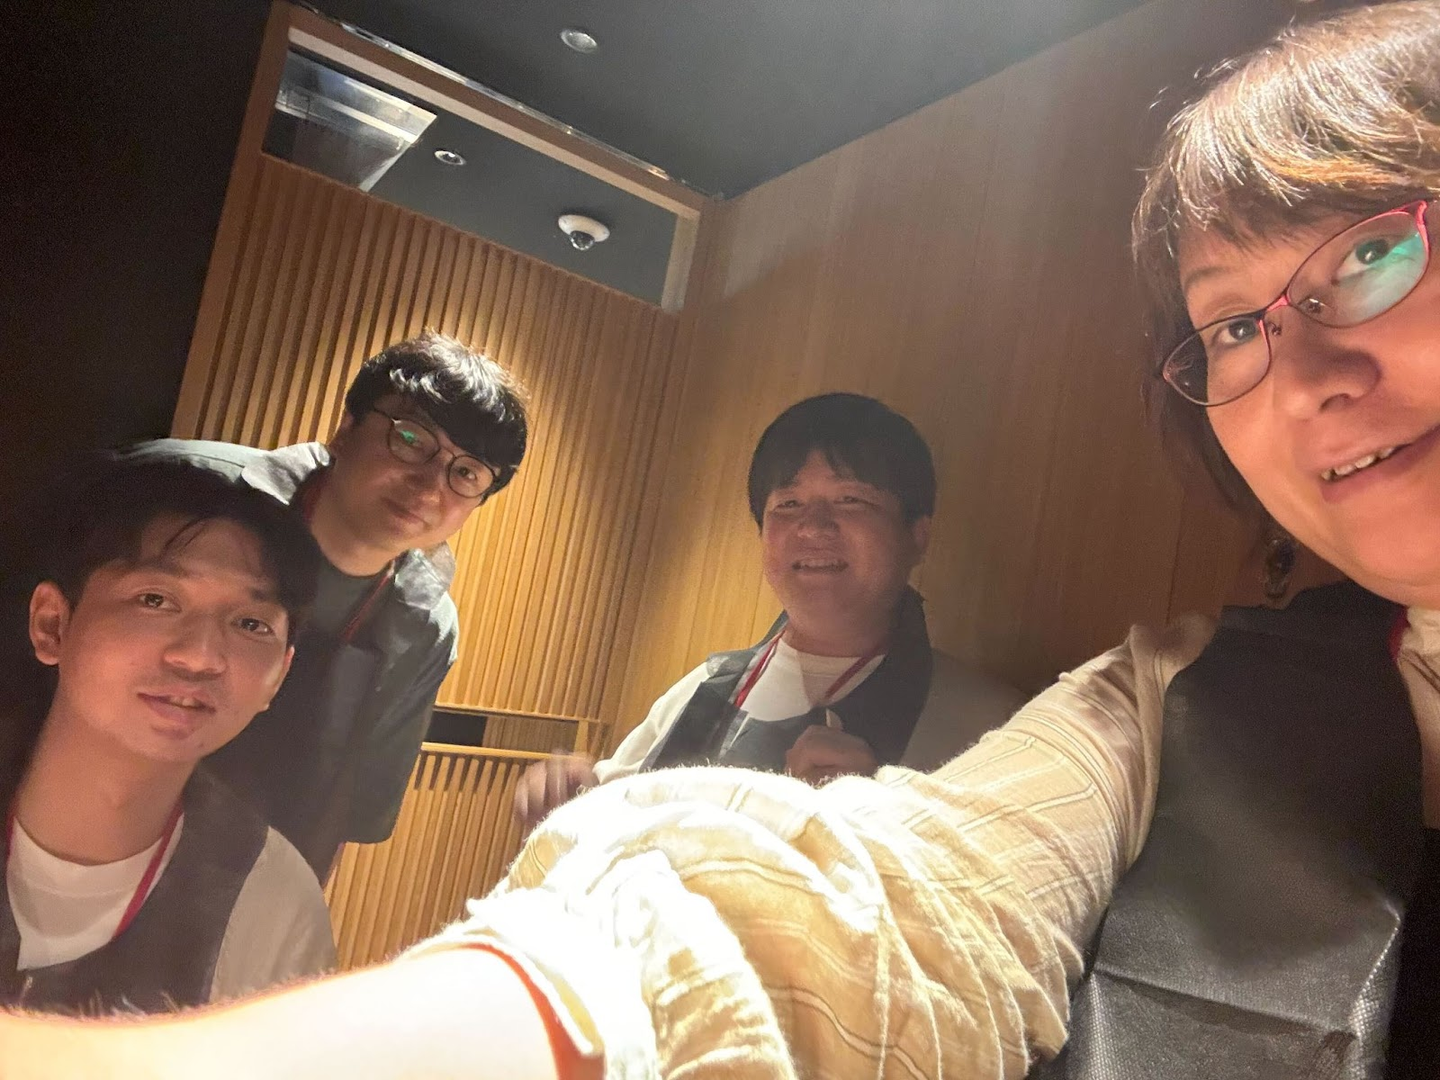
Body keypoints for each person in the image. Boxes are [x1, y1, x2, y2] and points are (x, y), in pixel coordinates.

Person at [1, 3, 1437, 1077]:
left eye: (1376, 251)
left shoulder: (986, 710)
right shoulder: (1157, 702)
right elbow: (867, 918)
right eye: (1233, 324)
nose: (1305, 375)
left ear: (917, 537)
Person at [516, 393, 1024, 829]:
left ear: (917, 536)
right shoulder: (708, 687)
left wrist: (875, 817)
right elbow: (608, 823)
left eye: (851, 500)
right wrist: (568, 793)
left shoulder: (986, 726)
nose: (813, 527)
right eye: (788, 505)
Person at [129, 331, 528, 874]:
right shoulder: (180, 490)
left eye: (466, 473)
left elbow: (346, 809)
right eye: (411, 439)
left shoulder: (426, 627)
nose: (430, 486)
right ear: (346, 429)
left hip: (236, 880)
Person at [0, 457, 335, 1012]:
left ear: (280, 675)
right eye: (155, 600)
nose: (200, 657)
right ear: (52, 624)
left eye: (250, 624)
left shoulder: (267, 898)